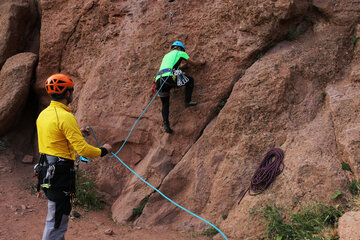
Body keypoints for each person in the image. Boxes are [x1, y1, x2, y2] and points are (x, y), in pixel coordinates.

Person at [36, 73, 112, 240]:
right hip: (59, 174)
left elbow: (55, 139)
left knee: (57, 214)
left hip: (46, 171)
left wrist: (78, 132)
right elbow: (83, 150)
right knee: (57, 219)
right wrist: (103, 150)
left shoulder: (44, 115)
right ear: (68, 93)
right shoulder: (65, 117)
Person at [154, 41, 205, 134]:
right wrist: (201, 62)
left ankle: (166, 125)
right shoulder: (181, 53)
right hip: (169, 78)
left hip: (159, 80)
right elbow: (193, 63)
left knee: (165, 104)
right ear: (180, 48)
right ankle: (187, 101)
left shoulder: (166, 56)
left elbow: (172, 67)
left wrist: (181, 68)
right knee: (190, 80)